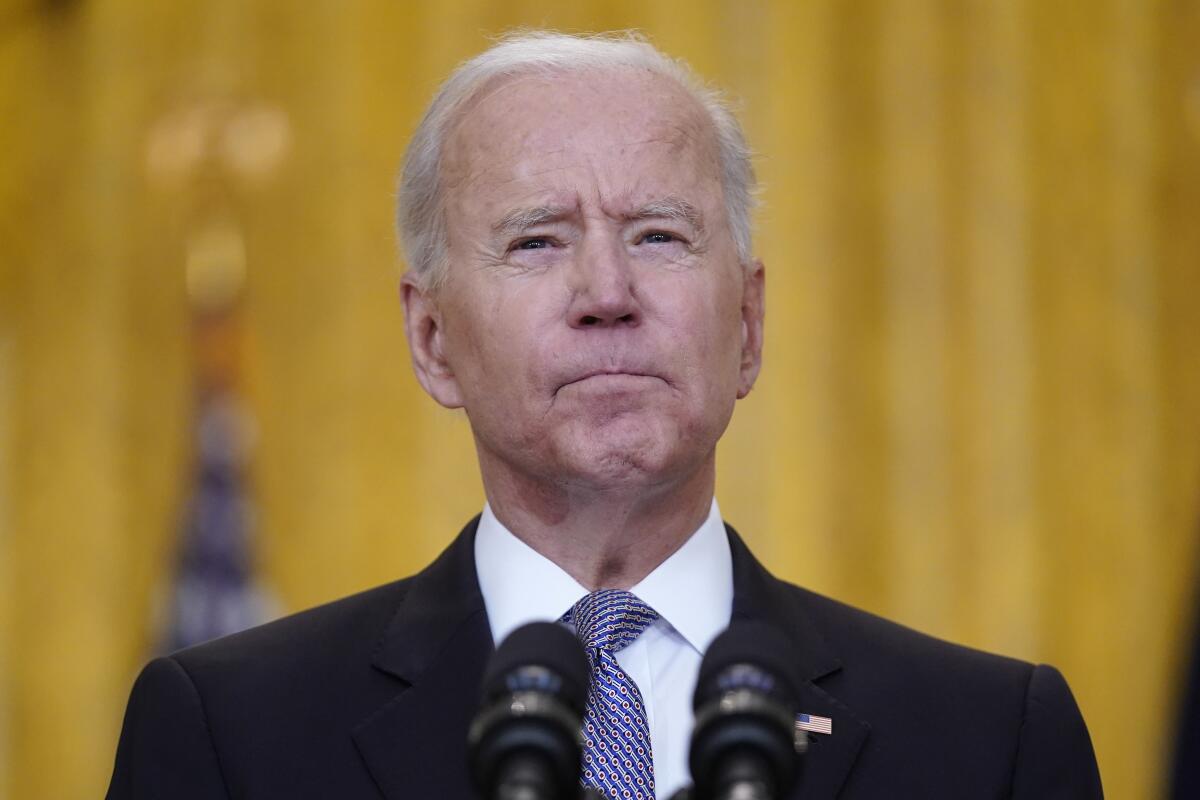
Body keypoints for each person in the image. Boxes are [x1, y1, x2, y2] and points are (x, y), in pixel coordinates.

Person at [106, 31, 1102, 799]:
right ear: (432, 339)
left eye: (659, 234)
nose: (607, 291)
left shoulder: (990, 740)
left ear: (748, 324)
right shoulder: (233, 732)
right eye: (537, 242)